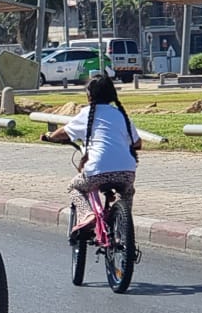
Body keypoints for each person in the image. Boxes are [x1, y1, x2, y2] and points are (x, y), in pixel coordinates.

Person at [39, 72, 141, 235]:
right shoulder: (121, 115)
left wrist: (50, 136)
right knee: (127, 191)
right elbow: (137, 142)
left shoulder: (87, 113)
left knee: (74, 187)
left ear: (89, 95)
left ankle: (87, 214)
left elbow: (64, 132)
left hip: (97, 171)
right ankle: (124, 230)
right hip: (127, 172)